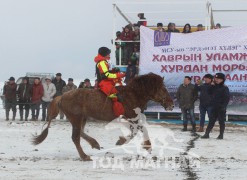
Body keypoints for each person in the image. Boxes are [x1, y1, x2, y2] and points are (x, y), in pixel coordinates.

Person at [94, 47, 125, 116]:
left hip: (106, 81)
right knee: (116, 96)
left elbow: (107, 72)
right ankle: (116, 114)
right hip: (104, 83)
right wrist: (118, 75)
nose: (109, 55)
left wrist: (114, 71)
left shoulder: (104, 61)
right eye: (108, 53)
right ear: (104, 54)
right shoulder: (102, 62)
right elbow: (106, 75)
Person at [201, 73, 230, 139]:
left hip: (221, 107)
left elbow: (226, 98)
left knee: (221, 121)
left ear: (222, 80)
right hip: (213, 106)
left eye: (218, 79)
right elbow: (209, 92)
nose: (216, 80)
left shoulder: (224, 88)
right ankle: (207, 133)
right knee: (211, 121)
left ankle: (221, 134)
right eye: (216, 78)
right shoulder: (214, 86)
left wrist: (223, 107)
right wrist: (211, 86)